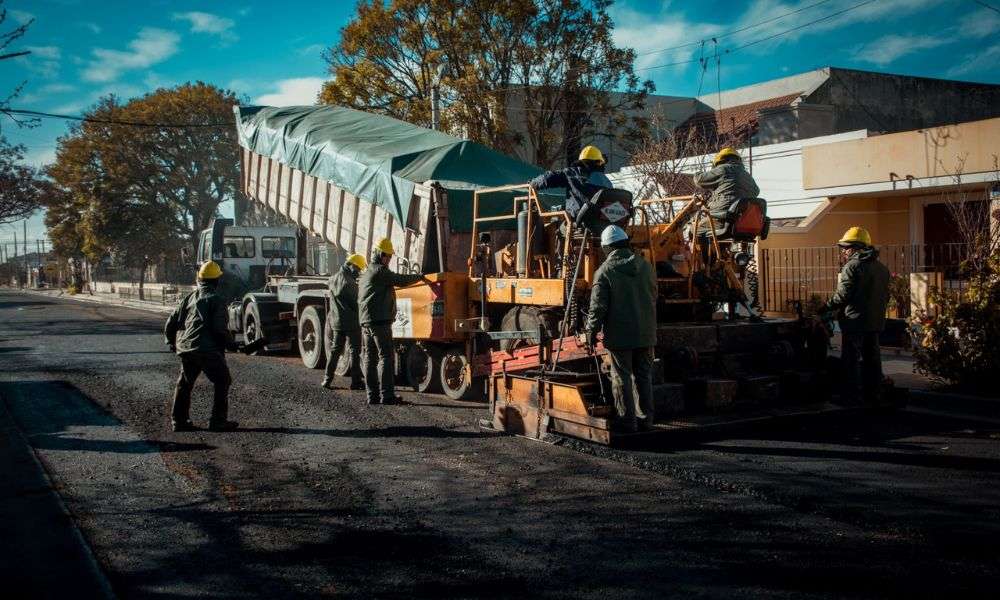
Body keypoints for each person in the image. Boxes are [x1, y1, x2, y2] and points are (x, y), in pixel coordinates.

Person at [584, 225, 658, 433]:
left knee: (622, 377)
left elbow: (597, 307)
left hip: (620, 335)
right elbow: (654, 296)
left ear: (607, 248)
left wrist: (590, 332)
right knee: (644, 376)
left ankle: (628, 422)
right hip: (646, 333)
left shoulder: (605, 271)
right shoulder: (646, 266)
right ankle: (646, 420)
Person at [164, 260, 238, 432]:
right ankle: (218, 421)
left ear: (200, 279)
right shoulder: (216, 300)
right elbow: (219, 329)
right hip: (206, 350)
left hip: (186, 348)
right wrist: (232, 344)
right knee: (223, 380)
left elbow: (171, 322)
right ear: (217, 281)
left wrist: (170, 342)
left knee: (184, 383)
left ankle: (179, 421)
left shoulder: (189, 298)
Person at [823, 227, 890, 406]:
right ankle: (874, 395)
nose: (844, 251)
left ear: (855, 248)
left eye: (846, 247)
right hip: (875, 322)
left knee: (851, 361)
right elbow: (886, 296)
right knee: (872, 361)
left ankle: (851, 396)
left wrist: (825, 307)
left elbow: (842, 295)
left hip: (854, 323)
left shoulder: (852, 266)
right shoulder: (882, 268)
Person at [358, 238, 428, 405]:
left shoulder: (367, 271)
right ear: (379, 254)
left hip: (367, 321)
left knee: (370, 358)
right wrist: (419, 277)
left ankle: (372, 396)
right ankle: (387, 396)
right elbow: (400, 280)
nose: (389, 259)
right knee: (386, 358)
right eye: (387, 256)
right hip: (379, 322)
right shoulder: (380, 271)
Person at [529, 145, 613, 226]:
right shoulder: (607, 181)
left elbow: (547, 178)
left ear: (581, 161)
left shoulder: (571, 173)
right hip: (603, 224)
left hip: (579, 222)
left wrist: (532, 183)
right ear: (599, 162)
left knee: (554, 226)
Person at [322, 253, 367, 391]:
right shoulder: (350, 283)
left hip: (336, 322)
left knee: (335, 351)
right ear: (352, 266)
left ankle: (327, 379)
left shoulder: (332, 279)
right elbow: (357, 304)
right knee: (354, 351)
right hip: (351, 323)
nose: (359, 273)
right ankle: (356, 382)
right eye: (358, 269)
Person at [692, 147, 760, 235]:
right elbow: (756, 191)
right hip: (742, 221)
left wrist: (698, 172)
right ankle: (720, 248)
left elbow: (699, 180)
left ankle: (704, 249)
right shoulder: (747, 175)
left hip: (724, 217)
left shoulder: (723, 169)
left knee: (695, 229)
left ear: (719, 161)